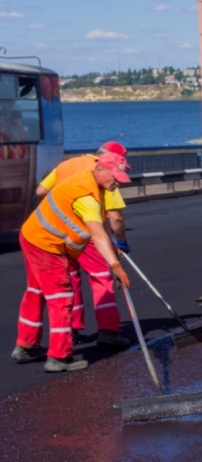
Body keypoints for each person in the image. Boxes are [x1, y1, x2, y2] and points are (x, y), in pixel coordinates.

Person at [12, 152, 132, 372]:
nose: (117, 183)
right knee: (62, 296)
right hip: (47, 245)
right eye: (115, 177)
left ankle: (26, 345)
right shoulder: (86, 197)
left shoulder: (87, 175)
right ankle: (58, 357)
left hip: (33, 236)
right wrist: (115, 265)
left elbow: (103, 220)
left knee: (37, 290)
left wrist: (113, 249)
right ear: (101, 169)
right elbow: (96, 234)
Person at [35, 141, 132, 348]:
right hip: (87, 231)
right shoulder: (106, 173)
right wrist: (120, 244)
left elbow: (41, 191)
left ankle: (71, 329)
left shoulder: (68, 164)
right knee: (101, 279)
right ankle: (108, 331)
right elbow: (114, 216)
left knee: (69, 279)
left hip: (59, 231)